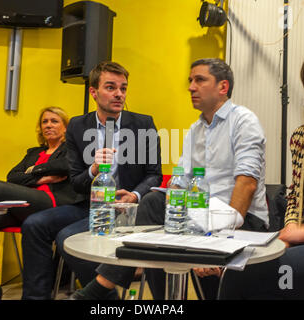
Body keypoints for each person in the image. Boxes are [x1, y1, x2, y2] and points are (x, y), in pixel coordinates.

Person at [59, 58, 270, 300]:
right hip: (201, 215)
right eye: (190, 80)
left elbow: (247, 182)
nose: (191, 87)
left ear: (223, 87)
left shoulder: (243, 120)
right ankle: (162, 301)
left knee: (158, 220)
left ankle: (97, 289)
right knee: (152, 203)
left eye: (199, 80)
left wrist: (219, 240)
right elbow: (179, 180)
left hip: (238, 220)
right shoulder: (196, 129)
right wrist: (173, 204)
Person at [20, 61, 162, 300]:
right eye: (111, 87)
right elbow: (76, 180)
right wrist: (92, 171)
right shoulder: (77, 125)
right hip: (89, 204)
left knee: (67, 237)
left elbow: (153, 174)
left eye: (123, 88)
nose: (119, 94)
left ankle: (102, 298)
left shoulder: (142, 124)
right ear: (94, 92)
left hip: (125, 209)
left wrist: (134, 195)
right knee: (34, 225)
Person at [0, 106, 79, 300]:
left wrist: (32, 171)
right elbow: (13, 176)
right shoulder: (33, 152)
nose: (48, 125)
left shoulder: (71, 149)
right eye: (44, 122)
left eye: (54, 121)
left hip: (53, 205)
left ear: (65, 128)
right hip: (24, 205)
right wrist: (42, 177)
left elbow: (64, 167)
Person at [218, 60, 304, 300]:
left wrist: (300, 234)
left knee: (248, 272)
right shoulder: (300, 137)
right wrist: (289, 229)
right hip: (297, 238)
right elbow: (295, 196)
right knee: (241, 262)